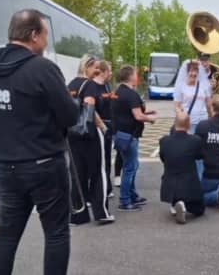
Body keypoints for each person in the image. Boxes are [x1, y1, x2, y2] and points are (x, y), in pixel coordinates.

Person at [0, 9, 79, 275]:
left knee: (6, 235)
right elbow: (70, 116)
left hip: (3, 165)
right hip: (43, 164)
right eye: (45, 36)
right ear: (33, 35)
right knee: (56, 234)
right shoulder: (42, 68)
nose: (47, 43)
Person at [67, 55, 113, 225]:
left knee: (77, 174)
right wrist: (103, 127)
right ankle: (101, 212)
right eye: (95, 68)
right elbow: (90, 108)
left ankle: (78, 215)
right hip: (89, 134)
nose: (97, 72)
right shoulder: (90, 85)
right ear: (87, 67)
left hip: (72, 135)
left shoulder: (70, 84)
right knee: (98, 173)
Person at [111, 65, 156, 212]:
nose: (137, 76)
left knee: (130, 166)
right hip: (130, 136)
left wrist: (146, 111)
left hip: (120, 134)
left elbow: (126, 112)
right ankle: (125, 200)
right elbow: (137, 115)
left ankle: (133, 195)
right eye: (136, 74)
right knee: (130, 168)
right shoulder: (131, 94)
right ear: (130, 76)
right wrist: (150, 119)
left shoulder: (118, 92)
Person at [159, 110, 206, 224]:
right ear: (189, 124)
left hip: (169, 187)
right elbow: (200, 156)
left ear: (174, 123)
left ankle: (177, 204)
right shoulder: (195, 140)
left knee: (177, 193)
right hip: (189, 186)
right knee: (200, 210)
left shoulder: (164, 141)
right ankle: (184, 206)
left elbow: (163, 158)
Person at [93, 60, 116, 196]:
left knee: (107, 158)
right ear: (103, 71)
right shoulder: (93, 87)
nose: (111, 73)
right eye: (109, 70)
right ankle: (99, 189)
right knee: (99, 159)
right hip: (99, 126)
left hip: (109, 125)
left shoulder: (106, 86)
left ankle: (106, 186)